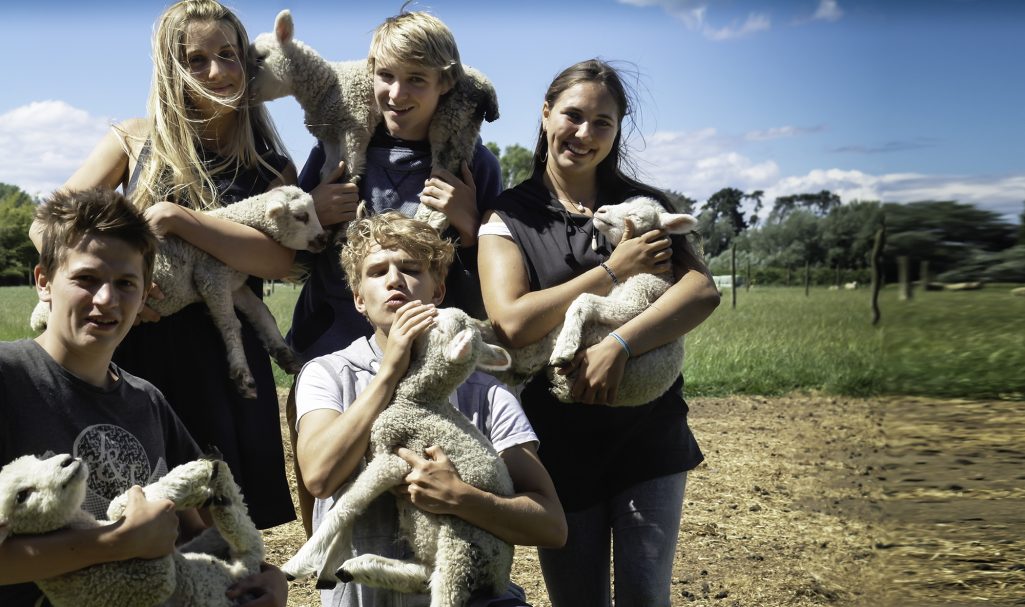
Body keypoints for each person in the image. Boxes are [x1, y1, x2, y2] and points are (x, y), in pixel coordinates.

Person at [477, 59, 721, 607]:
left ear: (617, 131)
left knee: (644, 596)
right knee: (577, 599)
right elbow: (513, 321)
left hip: (648, 433)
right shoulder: (510, 217)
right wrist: (615, 270)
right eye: (573, 115)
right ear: (545, 115)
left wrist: (620, 344)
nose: (584, 134)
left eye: (602, 123)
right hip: (559, 440)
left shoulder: (644, 206)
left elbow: (700, 292)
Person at [45, 0, 296, 529]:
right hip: (135, 352)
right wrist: (118, 291)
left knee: (225, 529)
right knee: (131, 514)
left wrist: (182, 221)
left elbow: (277, 261)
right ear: (170, 68)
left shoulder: (271, 163)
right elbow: (46, 226)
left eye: (228, 54)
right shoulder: (135, 140)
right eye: (196, 59)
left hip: (223, 362)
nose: (217, 71)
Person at [0, 188, 287, 607]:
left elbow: (196, 529)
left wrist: (266, 576)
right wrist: (116, 543)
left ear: (146, 294)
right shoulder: (10, 379)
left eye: (125, 284)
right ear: (44, 281)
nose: (106, 300)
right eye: (86, 279)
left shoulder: (147, 400)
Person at [285, 8, 502, 536]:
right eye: (386, 75)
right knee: (328, 488)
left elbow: (497, 276)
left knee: (419, 493)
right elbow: (293, 250)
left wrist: (470, 226)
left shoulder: (473, 164)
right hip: (331, 349)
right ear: (369, 72)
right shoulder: (338, 152)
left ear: (445, 83)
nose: (396, 93)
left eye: (416, 80)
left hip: (431, 361)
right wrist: (312, 209)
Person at [294, 212, 567, 606]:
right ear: (359, 299)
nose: (393, 280)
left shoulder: (486, 393)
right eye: (376, 272)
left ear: (438, 291)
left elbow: (551, 525)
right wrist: (389, 373)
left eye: (410, 269)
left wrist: (461, 498)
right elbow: (319, 476)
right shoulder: (329, 375)